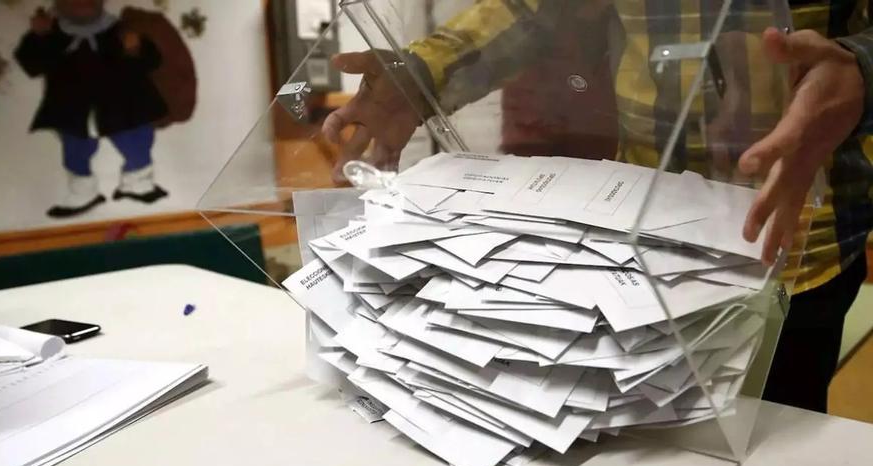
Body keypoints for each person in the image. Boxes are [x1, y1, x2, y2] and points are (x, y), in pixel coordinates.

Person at [322, 0, 873, 413]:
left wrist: (862, 71)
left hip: (798, 228)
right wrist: (423, 73)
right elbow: (536, 8)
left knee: (779, 448)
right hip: (639, 229)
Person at [15, 0, 170, 219]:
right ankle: (82, 193)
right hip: (74, 109)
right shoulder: (53, 34)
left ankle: (138, 185)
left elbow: (153, 61)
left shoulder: (120, 29)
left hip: (124, 106)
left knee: (137, 143)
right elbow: (31, 66)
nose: (82, 3)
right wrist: (38, 36)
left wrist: (136, 49)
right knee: (75, 150)